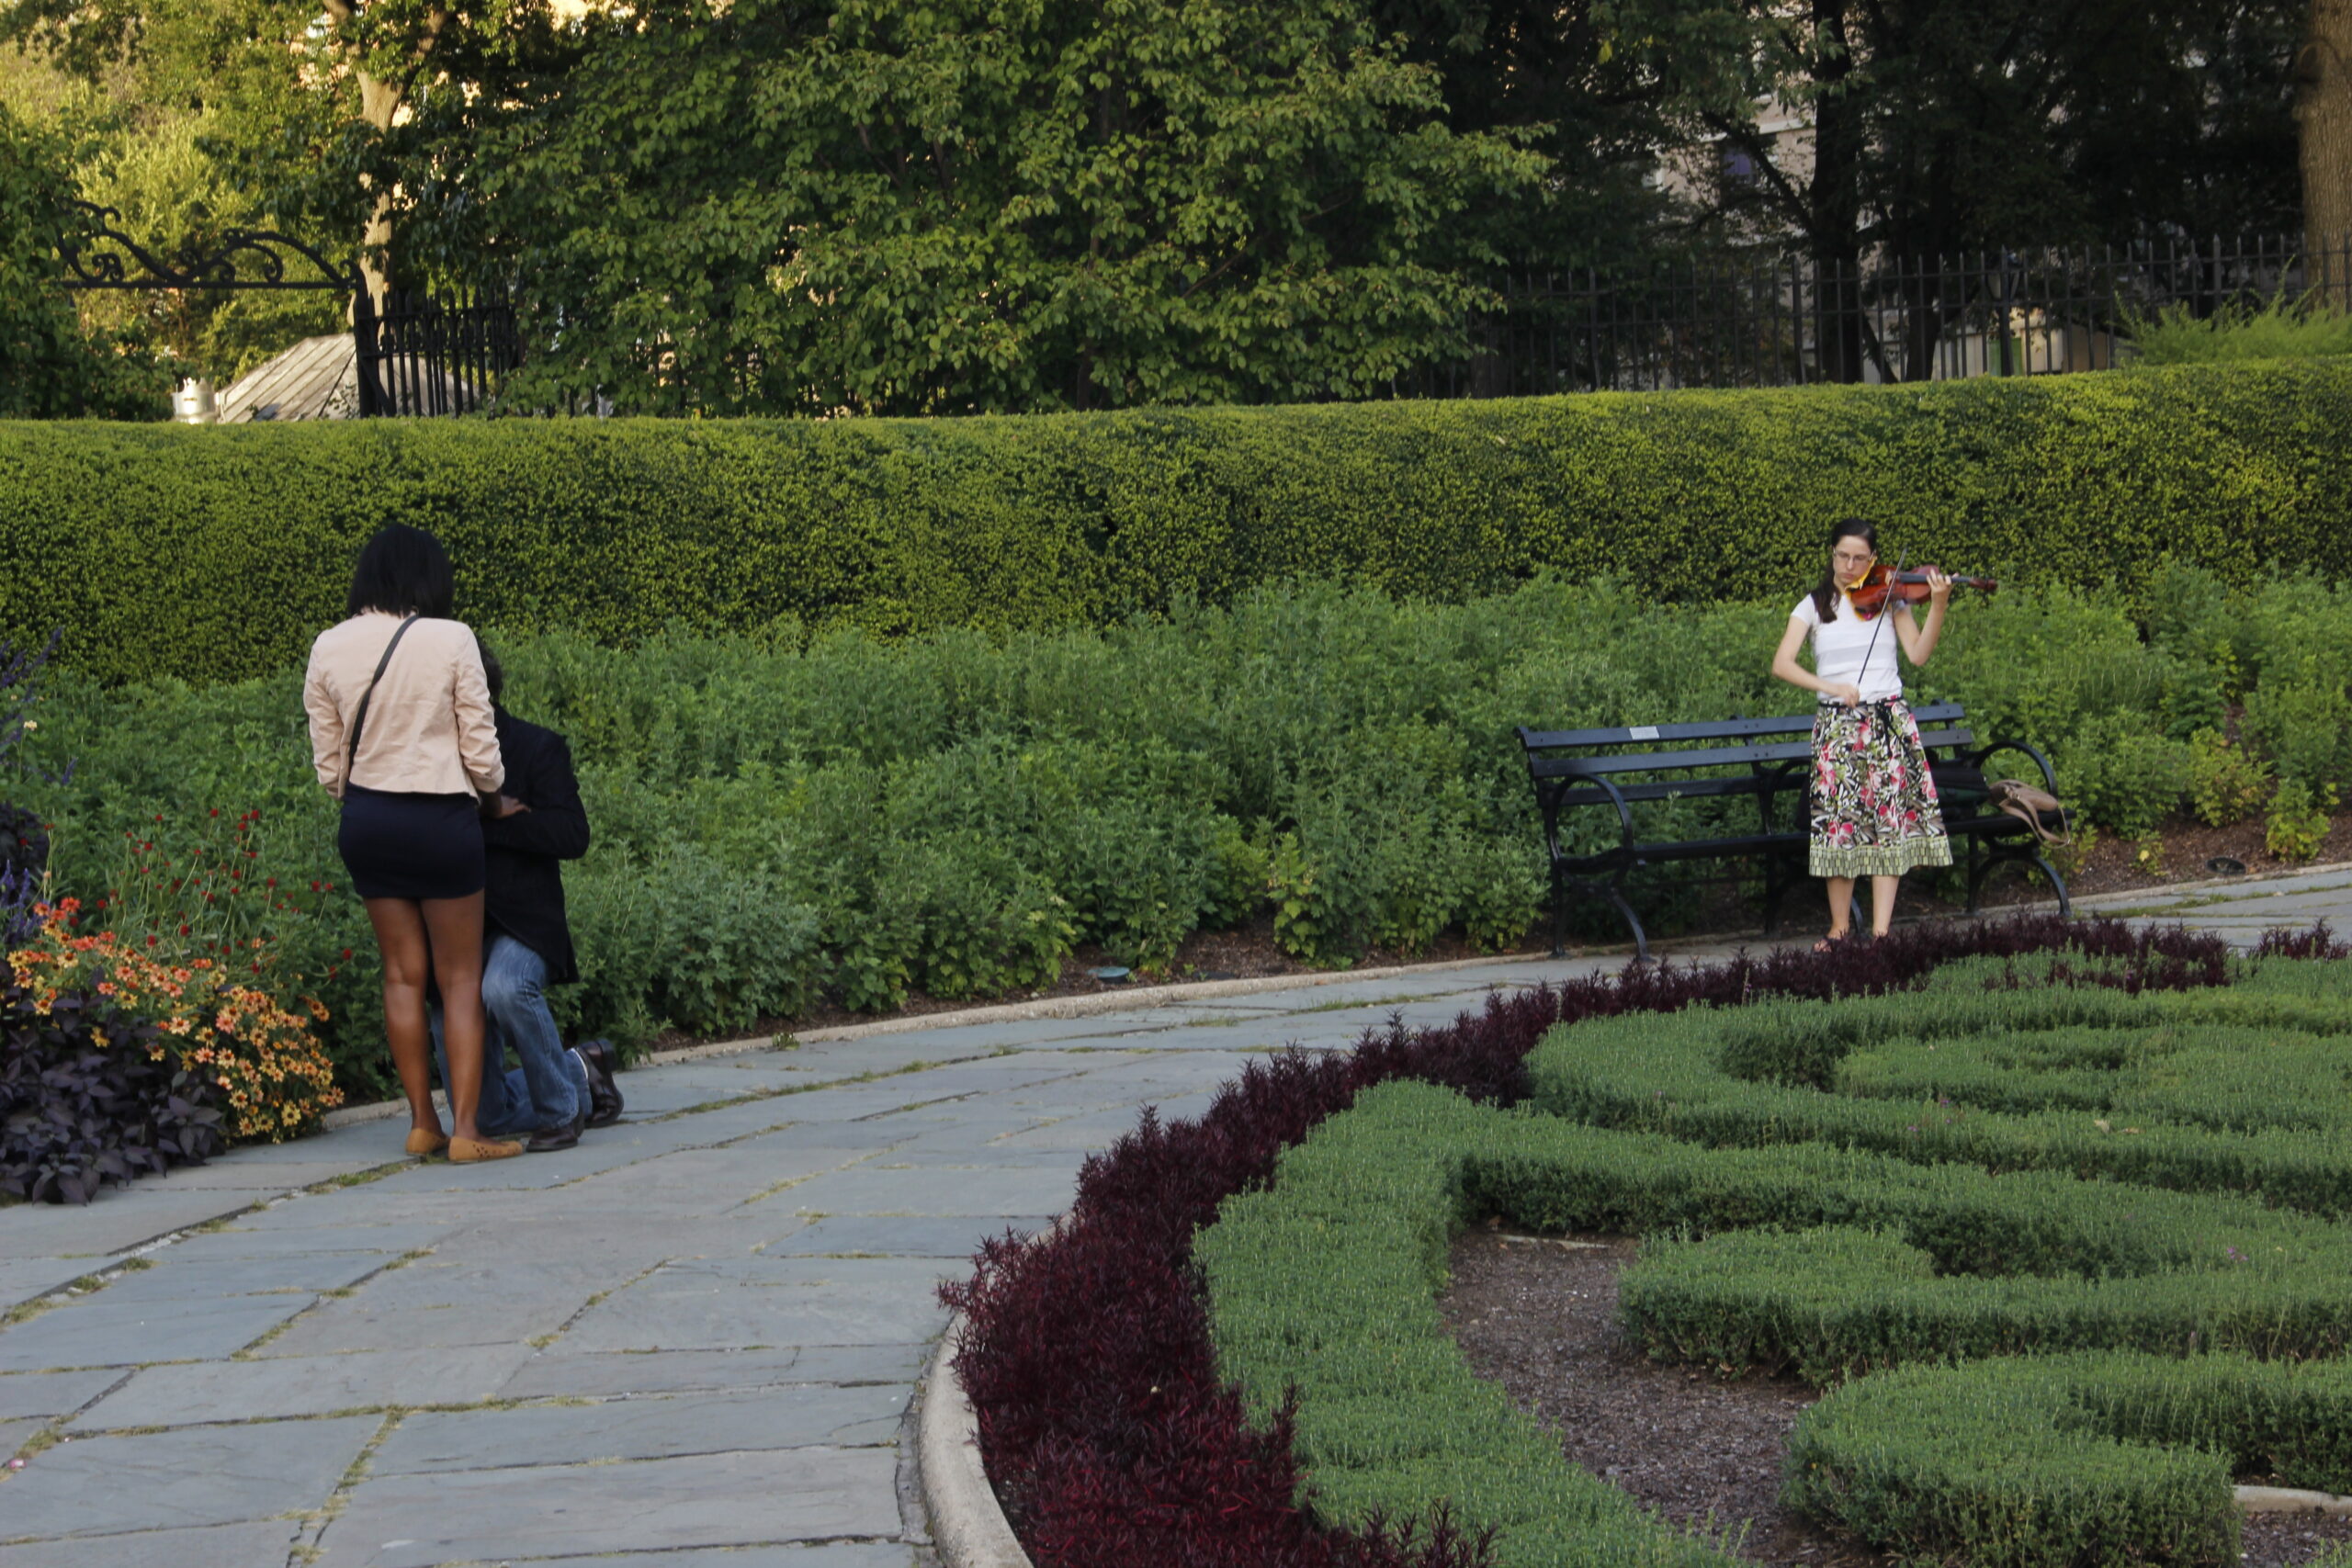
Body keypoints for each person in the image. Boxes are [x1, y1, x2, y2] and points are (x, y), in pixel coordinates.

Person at [304, 525, 520, 1162]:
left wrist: (366, 798)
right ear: (431, 577)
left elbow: (328, 764)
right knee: (460, 977)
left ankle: (423, 1121)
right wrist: (493, 796)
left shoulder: (328, 645)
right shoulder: (452, 638)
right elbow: (481, 748)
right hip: (440, 819)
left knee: (401, 974)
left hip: (368, 820)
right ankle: (468, 1130)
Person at [429, 642, 620, 1151]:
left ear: (483, 696)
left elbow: (573, 835)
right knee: (485, 1118)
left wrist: (495, 827)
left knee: (505, 987)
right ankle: (580, 1071)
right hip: (457, 926)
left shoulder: (537, 747)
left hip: (524, 921)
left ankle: (561, 1112)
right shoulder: (430, 761)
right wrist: (486, 817)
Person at [1770, 519, 1955, 948]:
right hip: (1838, 727)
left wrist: (1939, 606)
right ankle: (1839, 930)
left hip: (1888, 723)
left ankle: (1881, 934)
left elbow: (1918, 655)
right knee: (1839, 825)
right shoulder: (1813, 605)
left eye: (1859, 558)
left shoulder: (1892, 601)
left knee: (1887, 824)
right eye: (1842, 556)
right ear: (1831, 554)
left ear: (1873, 559)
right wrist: (1831, 687)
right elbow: (1782, 664)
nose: (1849, 566)